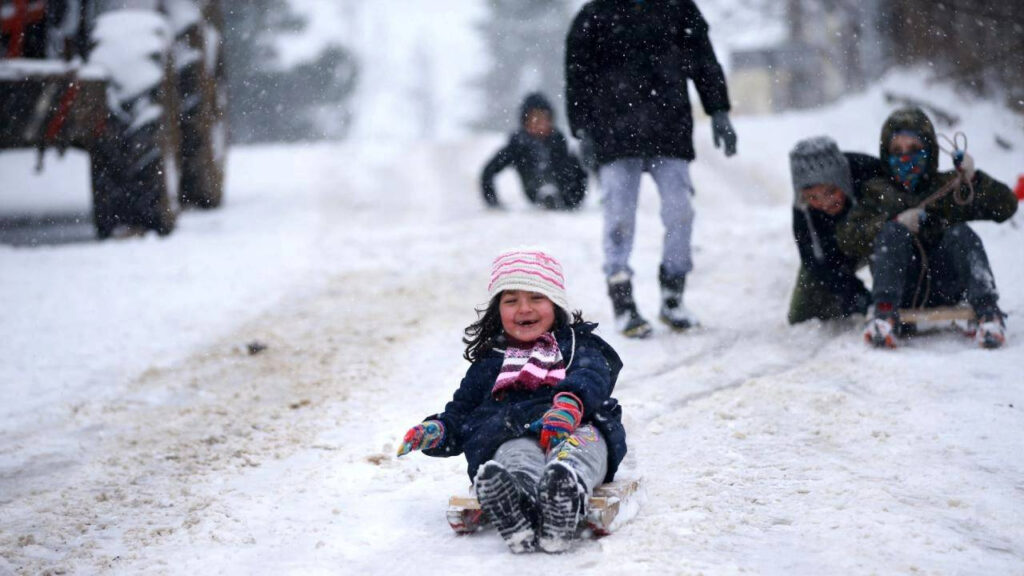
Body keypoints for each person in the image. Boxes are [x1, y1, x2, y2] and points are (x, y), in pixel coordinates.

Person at [396, 249, 626, 554]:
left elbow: (592, 375)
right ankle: (516, 502)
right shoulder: (489, 362)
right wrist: (437, 430)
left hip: (574, 426)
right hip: (513, 433)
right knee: (515, 456)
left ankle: (565, 494)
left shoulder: (576, 346)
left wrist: (570, 403)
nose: (524, 308)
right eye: (511, 300)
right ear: (497, 310)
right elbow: (462, 412)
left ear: (556, 304)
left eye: (536, 298)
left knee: (578, 452)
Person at [565, 0, 737, 338]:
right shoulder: (595, 15)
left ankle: (673, 294)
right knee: (618, 218)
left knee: (680, 211)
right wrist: (581, 128)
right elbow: (576, 75)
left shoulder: (678, 9)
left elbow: (704, 60)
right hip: (612, 132)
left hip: (669, 127)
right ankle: (622, 298)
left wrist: (718, 110)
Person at [836, 107, 1018, 348]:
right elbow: (847, 239)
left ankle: (988, 312)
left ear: (929, 151)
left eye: (914, 150)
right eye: (897, 151)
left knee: (961, 233)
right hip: (901, 289)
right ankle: (884, 316)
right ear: (886, 154)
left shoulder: (947, 186)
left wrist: (974, 179)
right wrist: (892, 224)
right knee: (892, 233)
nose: (905, 158)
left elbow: (1005, 206)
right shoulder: (877, 192)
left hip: (945, 283)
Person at [787, 136, 886, 324]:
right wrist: (854, 295)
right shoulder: (803, 211)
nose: (825, 203)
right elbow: (814, 261)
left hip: (877, 239)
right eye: (813, 197)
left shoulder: (870, 173)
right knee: (801, 316)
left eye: (830, 192)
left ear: (842, 181)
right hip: (835, 251)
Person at [480, 93, 587, 210]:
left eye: (543, 118)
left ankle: (553, 194)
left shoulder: (559, 141)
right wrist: (492, 202)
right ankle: (545, 193)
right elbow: (489, 171)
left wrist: (575, 200)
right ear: (525, 122)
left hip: (565, 196)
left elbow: (580, 173)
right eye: (534, 118)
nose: (539, 123)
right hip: (534, 191)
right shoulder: (518, 145)